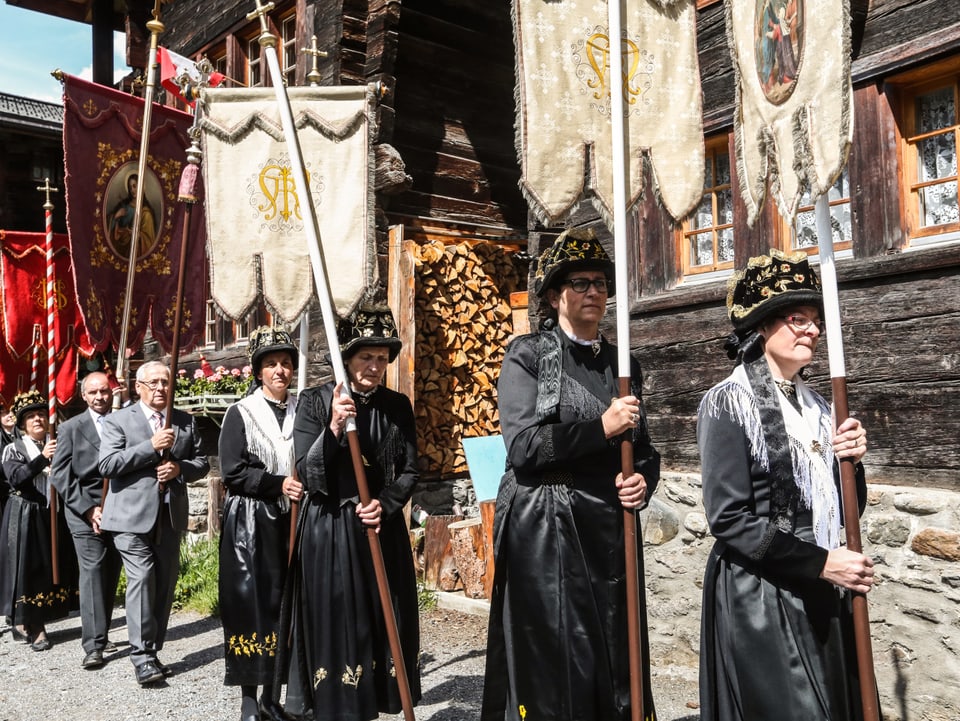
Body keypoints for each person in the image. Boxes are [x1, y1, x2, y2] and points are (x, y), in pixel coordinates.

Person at [482, 227, 661, 721]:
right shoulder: (528, 355)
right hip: (545, 525)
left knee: (613, 642)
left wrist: (643, 481)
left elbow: (644, 451)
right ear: (556, 296)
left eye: (601, 282)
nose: (594, 292)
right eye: (580, 283)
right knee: (559, 650)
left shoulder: (623, 365)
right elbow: (523, 449)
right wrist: (600, 427)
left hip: (607, 524)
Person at [697, 249, 874, 721]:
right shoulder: (728, 403)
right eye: (798, 319)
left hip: (820, 585)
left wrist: (851, 464)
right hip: (761, 594)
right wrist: (823, 564)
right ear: (761, 327)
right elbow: (729, 519)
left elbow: (842, 508)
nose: (813, 330)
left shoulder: (819, 406)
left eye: (816, 320)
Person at [277, 304, 421, 721]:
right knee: (339, 623)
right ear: (346, 359)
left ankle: (377, 701)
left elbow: (412, 469)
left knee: (382, 619)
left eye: (382, 358)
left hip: (380, 528)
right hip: (331, 529)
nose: (375, 366)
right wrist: (335, 428)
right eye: (365, 357)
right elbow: (307, 471)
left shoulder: (398, 405)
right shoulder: (315, 402)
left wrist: (386, 504)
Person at [98, 360, 209, 686]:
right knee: (143, 577)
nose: (162, 388)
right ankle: (142, 657)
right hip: (130, 518)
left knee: (164, 583)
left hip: (169, 514)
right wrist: (151, 447)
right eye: (155, 383)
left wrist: (179, 469)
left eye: (166, 382)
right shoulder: (118, 421)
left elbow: (201, 462)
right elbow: (107, 464)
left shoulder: (185, 421)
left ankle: (153, 649)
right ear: (139, 387)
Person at [219, 327, 303, 721]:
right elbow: (234, 471)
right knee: (252, 606)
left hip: (294, 518)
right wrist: (276, 483)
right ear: (258, 372)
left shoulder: (302, 410)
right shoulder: (242, 412)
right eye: (271, 364)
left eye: (286, 363)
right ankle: (250, 703)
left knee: (284, 607)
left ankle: (274, 699)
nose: (280, 370)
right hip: (252, 522)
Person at [50, 372, 123, 669]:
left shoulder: (124, 422)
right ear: (84, 396)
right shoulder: (71, 428)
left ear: (111, 392)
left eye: (104, 391)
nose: (99, 398)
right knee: (92, 571)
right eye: (93, 392)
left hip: (118, 508)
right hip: (83, 509)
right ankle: (93, 645)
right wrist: (90, 510)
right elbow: (60, 474)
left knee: (111, 571)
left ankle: (102, 632)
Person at [0, 389, 79, 651]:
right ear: (22, 424)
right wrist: (42, 458)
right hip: (25, 514)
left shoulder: (58, 443)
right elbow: (16, 478)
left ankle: (45, 615)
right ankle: (33, 626)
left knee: (52, 566)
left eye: (41, 415)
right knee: (28, 569)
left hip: (53, 512)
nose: (37, 420)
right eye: (31, 416)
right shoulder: (14, 448)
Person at [107, 173, 156, 259]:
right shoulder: (124, 205)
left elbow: (148, 240)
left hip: (135, 251)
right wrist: (116, 216)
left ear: (141, 186)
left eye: (134, 186)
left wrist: (135, 233)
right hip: (119, 250)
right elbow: (109, 224)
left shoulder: (146, 213)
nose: (132, 190)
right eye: (130, 187)